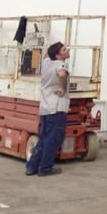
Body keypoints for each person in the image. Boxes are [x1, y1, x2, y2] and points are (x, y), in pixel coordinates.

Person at [25, 42, 70, 176]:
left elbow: (47, 55)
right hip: (57, 108)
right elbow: (62, 74)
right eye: (63, 49)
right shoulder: (61, 64)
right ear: (57, 55)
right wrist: (62, 88)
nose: (67, 50)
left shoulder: (46, 62)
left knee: (44, 138)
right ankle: (45, 168)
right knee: (53, 139)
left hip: (45, 107)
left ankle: (31, 166)